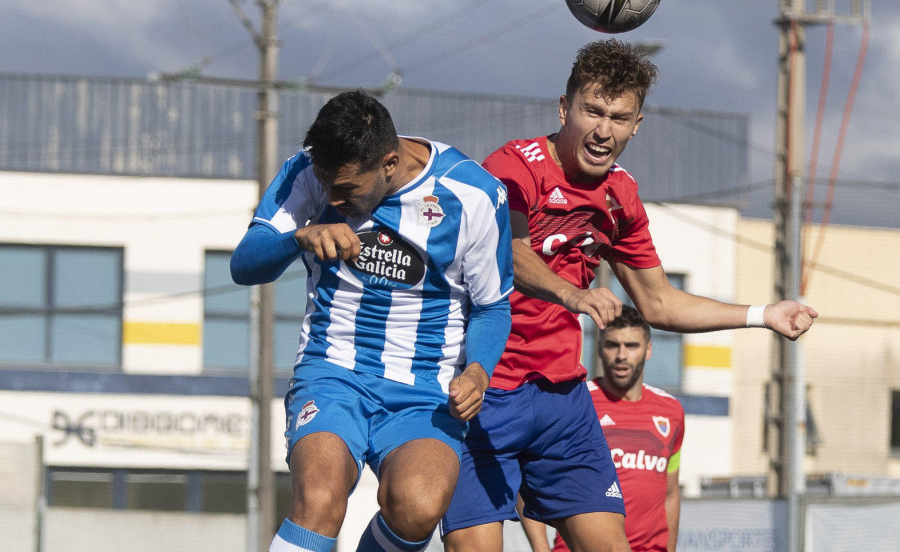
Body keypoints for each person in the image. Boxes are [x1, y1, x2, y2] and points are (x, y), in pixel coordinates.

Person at [440, 39, 817, 552]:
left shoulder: (621, 196)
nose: (603, 130)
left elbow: (659, 302)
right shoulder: (513, 167)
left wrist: (761, 313)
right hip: (482, 388)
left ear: (636, 125)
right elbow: (511, 251)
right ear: (564, 108)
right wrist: (572, 294)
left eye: (619, 117)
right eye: (592, 111)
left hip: (560, 401)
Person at [230, 90, 514, 552]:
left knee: (418, 506)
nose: (332, 200)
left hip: (425, 389)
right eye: (327, 187)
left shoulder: (473, 194)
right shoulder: (308, 170)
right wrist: (300, 237)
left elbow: (492, 306)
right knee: (319, 498)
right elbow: (244, 266)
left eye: (346, 191)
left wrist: (479, 370)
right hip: (332, 372)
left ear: (388, 162)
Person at [519, 305, 685, 552]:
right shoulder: (574, 402)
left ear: (648, 349)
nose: (621, 355)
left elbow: (670, 494)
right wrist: (540, 547)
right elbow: (526, 478)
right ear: (598, 348)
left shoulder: (672, 412)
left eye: (631, 345)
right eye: (612, 345)